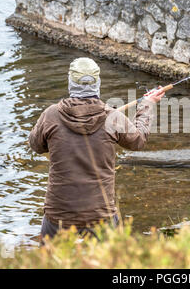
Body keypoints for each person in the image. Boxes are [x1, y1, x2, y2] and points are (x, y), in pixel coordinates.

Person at [28, 57, 164, 242]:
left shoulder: (51, 115)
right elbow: (138, 141)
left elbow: (36, 146)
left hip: (58, 212)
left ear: (70, 83)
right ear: (97, 84)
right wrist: (147, 105)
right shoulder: (112, 117)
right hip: (100, 213)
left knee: (48, 262)